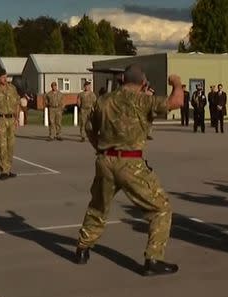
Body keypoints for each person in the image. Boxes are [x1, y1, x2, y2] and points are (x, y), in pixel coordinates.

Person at [74, 65, 184, 275]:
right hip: (130, 163)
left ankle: (82, 248)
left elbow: (89, 128)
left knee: (98, 206)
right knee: (161, 208)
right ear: (143, 83)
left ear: (122, 79)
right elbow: (176, 101)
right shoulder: (143, 100)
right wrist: (176, 82)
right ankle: (153, 259)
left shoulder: (104, 100)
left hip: (105, 161)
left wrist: (100, 148)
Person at [0, 68, 20, 179]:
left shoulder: (12, 88)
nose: (5, 79)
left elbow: (17, 103)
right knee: (2, 146)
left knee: (11, 146)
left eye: (6, 76)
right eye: (3, 77)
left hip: (11, 120)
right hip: (0, 119)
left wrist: (16, 119)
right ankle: (4, 171)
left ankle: (9, 169)